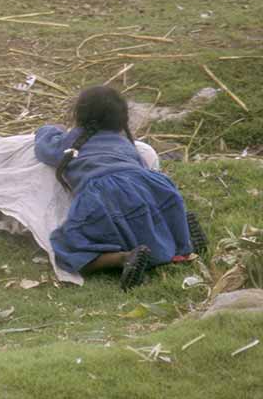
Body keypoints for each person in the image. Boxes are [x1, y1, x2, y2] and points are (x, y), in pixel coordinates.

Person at [34, 85, 199, 290]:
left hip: (101, 195)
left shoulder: (73, 141)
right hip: (149, 184)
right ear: (121, 119)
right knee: (145, 216)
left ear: (80, 114)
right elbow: (140, 166)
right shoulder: (125, 142)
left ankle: (122, 257)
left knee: (66, 246)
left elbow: (44, 148)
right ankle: (182, 240)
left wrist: (49, 129)